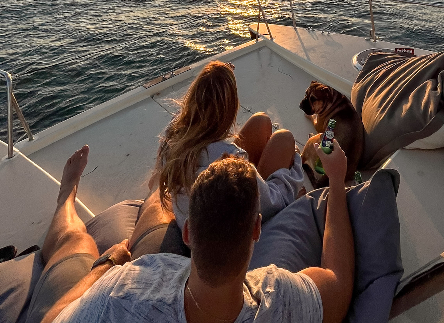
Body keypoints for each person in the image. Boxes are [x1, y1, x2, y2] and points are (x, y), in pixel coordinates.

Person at [30, 139, 355, 323]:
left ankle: (66, 198)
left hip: (114, 278)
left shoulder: (124, 291)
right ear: (256, 228)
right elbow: (338, 285)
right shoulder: (279, 299)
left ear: (187, 233)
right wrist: (337, 182)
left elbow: (51, 319)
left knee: (77, 241)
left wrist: (107, 266)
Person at [153, 60, 304, 227]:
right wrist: (293, 163)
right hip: (227, 231)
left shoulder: (173, 136)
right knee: (284, 139)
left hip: (196, 222)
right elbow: (271, 204)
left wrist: (220, 73)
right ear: (230, 108)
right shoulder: (229, 163)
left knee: (261, 121)